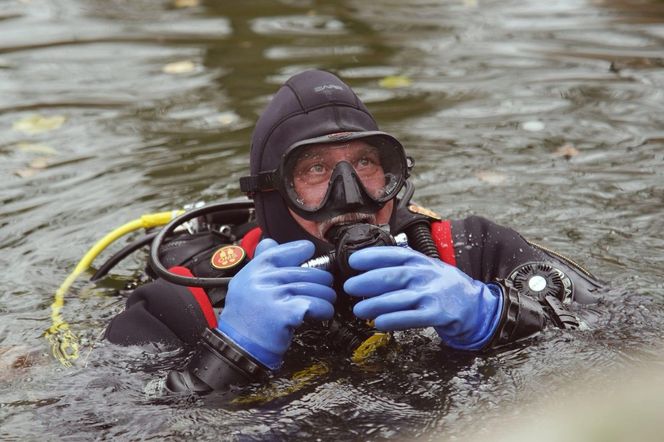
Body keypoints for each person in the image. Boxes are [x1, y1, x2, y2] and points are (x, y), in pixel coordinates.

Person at [105, 70, 604, 393]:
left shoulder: (475, 252)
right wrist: (228, 355)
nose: (351, 194)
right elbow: (94, 424)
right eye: (316, 171)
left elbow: (632, 337)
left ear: (396, 175)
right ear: (273, 195)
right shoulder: (179, 306)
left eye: (366, 163)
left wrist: (501, 315)